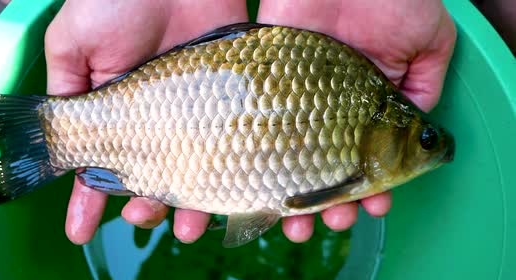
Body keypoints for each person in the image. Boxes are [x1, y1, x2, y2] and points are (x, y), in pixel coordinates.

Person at [42, 0, 457, 245]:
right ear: (384, 130)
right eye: (423, 140)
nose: (430, 147)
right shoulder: (364, 99)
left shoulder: (365, 86)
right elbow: (297, 201)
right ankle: (49, 135)